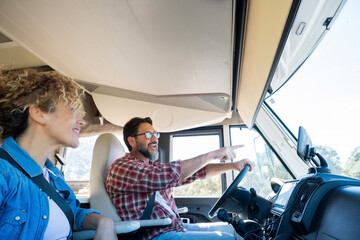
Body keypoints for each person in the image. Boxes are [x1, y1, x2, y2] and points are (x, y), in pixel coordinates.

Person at [0, 69, 117, 240]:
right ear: (39, 114)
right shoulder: (4, 173)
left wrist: (103, 222)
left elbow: (71, 213)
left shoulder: (53, 174)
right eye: (72, 109)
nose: (82, 121)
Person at [106, 117, 255, 240]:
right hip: (153, 235)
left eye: (155, 134)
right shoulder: (123, 167)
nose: (155, 139)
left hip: (172, 226)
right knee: (227, 239)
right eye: (148, 135)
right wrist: (213, 154)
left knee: (234, 231)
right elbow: (173, 173)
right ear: (132, 141)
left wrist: (234, 166)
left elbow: (196, 173)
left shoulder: (150, 167)